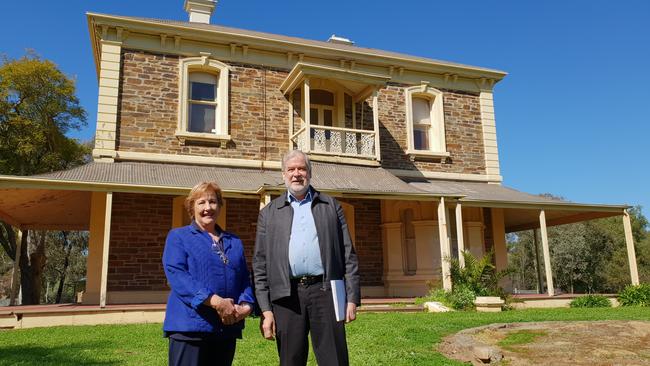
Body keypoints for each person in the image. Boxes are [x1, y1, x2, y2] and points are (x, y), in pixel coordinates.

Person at [253, 149, 360, 366]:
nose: (296, 174)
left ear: (309, 173)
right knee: (290, 360)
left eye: (301, 168)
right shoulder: (270, 213)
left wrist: (351, 298)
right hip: (286, 296)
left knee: (334, 360)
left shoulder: (331, 206)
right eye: (291, 169)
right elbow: (260, 263)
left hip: (327, 292)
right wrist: (265, 309)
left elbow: (348, 254)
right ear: (283, 174)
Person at [162, 181, 254, 366]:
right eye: (201, 202)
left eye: (213, 202)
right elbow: (177, 275)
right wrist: (216, 302)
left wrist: (246, 306)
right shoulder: (178, 236)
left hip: (225, 328)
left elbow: (245, 278)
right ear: (191, 207)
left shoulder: (234, 241)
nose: (208, 208)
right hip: (190, 328)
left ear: (220, 206)